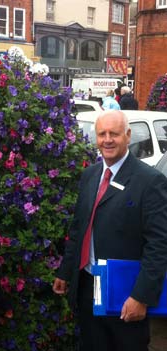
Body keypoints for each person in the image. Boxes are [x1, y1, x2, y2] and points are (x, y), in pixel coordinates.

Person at [53, 110, 167, 351]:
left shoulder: (150, 181)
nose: (107, 140)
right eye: (101, 134)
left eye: (114, 134)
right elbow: (79, 228)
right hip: (87, 286)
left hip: (125, 293)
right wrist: (65, 272)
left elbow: (159, 245)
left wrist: (141, 296)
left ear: (127, 136)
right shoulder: (90, 175)